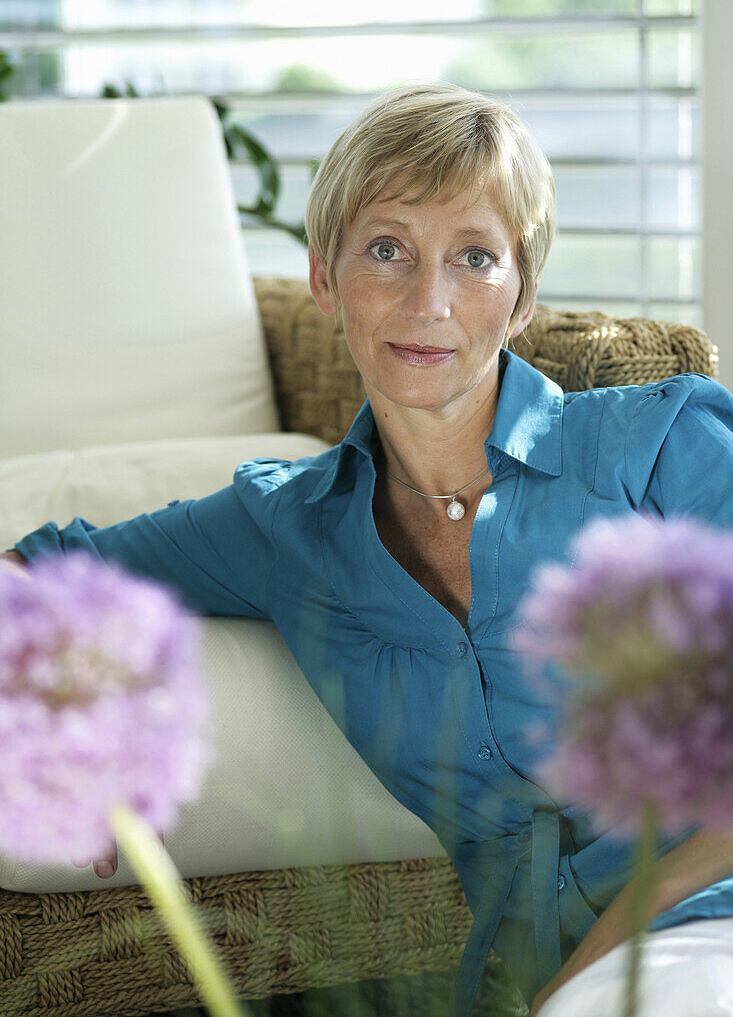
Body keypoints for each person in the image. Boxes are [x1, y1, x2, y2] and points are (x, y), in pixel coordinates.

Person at [4, 81, 733, 1017]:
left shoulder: (662, 449)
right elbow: (38, 567)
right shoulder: (285, 528)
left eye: (474, 257)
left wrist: (591, 970)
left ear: (520, 298)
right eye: (386, 249)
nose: (428, 300)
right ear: (323, 275)